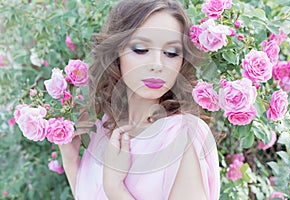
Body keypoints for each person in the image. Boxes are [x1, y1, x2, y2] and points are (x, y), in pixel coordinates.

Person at [59, 0, 220, 199]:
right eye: (141, 49)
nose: (157, 65)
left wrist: (115, 189)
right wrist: (70, 161)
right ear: (117, 51)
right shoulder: (105, 129)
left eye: (171, 53)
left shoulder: (182, 136)